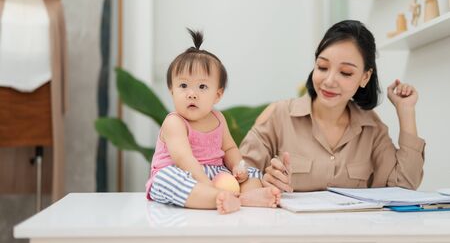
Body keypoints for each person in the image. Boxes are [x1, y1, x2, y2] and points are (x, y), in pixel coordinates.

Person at [240, 20, 425, 193]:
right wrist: (265, 181)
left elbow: (404, 187)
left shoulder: (371, 127)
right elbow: (238, 175)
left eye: (345, 73)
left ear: (365, 77)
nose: (329, 81)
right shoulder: (279, 115)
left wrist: (406, 112)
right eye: (322, 67)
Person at [146, 29, 280, 214]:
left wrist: (237, 167)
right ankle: (217, 198)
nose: (191, 93)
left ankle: (247, 196)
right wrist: (206, 184)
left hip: (216, 172)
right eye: (183, 85)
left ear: (217, 95)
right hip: (182, 172)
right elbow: (182, 158)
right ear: (172, 91)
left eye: (202, 86)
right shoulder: (174, 122)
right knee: (166, 180)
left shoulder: (218, 119)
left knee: (252, 174)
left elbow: (230, 148)